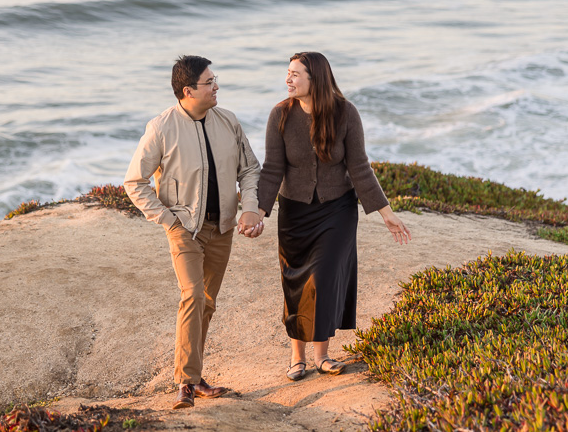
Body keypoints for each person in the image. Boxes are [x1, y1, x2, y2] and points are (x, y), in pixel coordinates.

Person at [257, 51, 411, 381]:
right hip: (294, 212)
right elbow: (272, 169)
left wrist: (386, 213)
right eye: (288, 72)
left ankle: (322, 355)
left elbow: (359, 167)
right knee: (296, 282)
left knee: (324, 279)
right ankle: (297, 357)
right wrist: (258, 212)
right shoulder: (280, 115)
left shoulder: (345, 113)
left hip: (337, 210)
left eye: (295, 74)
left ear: (316, 79)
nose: (288, 79)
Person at [124, 55, 266, 410]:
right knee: (192, 295)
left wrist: (249, 207)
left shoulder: (228, 121)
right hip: (185, 229)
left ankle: (195, 378)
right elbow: (134, 182)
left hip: (223, 228)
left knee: (207, 302)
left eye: (215, 80)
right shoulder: (161, 128)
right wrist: (167, 219)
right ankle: (186, 383)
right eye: (209, 82)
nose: (216, 86)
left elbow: (250, 169)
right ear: (188, 91)